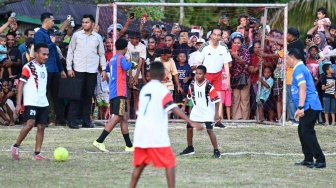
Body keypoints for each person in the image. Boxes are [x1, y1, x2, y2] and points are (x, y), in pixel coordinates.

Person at [129, 61, 203, 188]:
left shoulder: (144, 89)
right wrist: (191, 121)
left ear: (149, 75)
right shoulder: (162, 90)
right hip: (155, 133)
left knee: (139, 164)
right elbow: (174, 108)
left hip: (141, 133)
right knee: (170, 162)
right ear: (163, 75)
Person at [93, 38, 135, 152]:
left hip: (114, 91)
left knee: (124, 118)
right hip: (119, 91)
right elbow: (126, 67)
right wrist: (132, 63)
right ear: (125, 48)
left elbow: (106, 69)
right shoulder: (121, 58)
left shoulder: (112, 59)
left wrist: (104, 74)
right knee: (117, 116)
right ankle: (99, 141)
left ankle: (129, 146)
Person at [287, 48, 326, 169]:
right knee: (302, 130)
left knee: (307, 132)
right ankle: (308, 158)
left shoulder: (299, 69)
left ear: (292, 58)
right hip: (308, 104)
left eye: (287, 58)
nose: (286, 61)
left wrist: (300, 107)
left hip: (309, 105)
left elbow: (303, 89)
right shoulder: (299, 68)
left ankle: (320, 160)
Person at [11, 42, 50, 161]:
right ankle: (15, 146)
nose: (46, 57)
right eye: (44, 54)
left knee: (41, 126)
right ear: (37, 54)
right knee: (30, 124)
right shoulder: (29, 67)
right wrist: (18, 104)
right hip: (31, 102)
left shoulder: (44, 67)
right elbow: (21, 85)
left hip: (43, 102)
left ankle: (37, 153)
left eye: (47, 54)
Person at [67, 14, 107, 129]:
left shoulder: (98, 37)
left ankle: (86, 120)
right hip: (78, 69)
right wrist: (69, 68)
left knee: (89, 96)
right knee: (76, 96)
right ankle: (73, 120)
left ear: (92, 23)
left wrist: (103, 69)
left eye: (87, 22)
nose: (84, 24)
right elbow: (70, 51)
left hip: (92, 70)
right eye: (83, 22)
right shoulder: (76, 35)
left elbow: (101, 54)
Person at [180, 65, 222, 158]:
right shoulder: (192, 84)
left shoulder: (208, 86)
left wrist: (216, 114)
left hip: (207, 111)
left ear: (205, 75)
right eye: (196, 74)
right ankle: (190, 148)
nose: (197, 75)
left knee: (209, 130)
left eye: (200, 74)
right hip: (196, 111)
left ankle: (216, 151)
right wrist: (184, 106)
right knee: (189, 128)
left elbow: (217, 100)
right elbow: (189, 96)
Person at [34, 12, 67, 126]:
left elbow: (55, 55)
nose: (53, 23)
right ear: (46, 21)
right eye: (52, 21)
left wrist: (61, 70)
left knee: (58, 95)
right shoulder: (39, 34)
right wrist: (52, 43)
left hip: (54, 69)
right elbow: (41, 50)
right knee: (44, 94)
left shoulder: (50, 33)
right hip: (45, 69)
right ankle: (42, 119)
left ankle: (60, 118)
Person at [196, 28, 231, 127]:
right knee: (202, 96)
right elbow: (199, 62)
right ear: (211, 35)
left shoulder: (224, 47)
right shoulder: (204, 46)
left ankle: (217, 120)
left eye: (218, 35)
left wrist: (227, 80)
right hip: (205, 74)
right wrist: (198, 77)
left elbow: (226, 64)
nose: (216, 37)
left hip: (218, 75)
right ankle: (201, 118)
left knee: (218, 98)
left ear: (221, 36)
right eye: (214, 34)